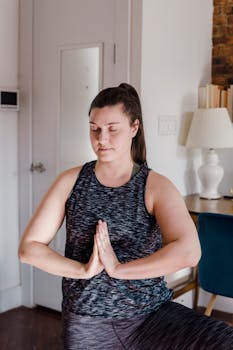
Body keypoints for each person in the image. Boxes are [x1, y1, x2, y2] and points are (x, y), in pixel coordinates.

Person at [19, 83, 233, 350]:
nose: (101, 138)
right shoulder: (70, 181)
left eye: (112, 129)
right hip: (89, 323)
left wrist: (119, 269)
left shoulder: (155, 186)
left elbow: (189, 251)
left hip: (152, 316)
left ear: (134, 128)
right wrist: (83, 270)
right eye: (94, 128)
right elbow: (29, 249)